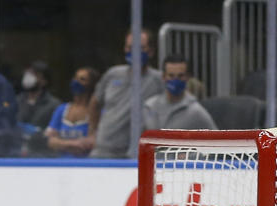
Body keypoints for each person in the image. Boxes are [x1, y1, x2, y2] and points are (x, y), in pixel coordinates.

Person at [88, 29, 164, 158]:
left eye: (141, 48)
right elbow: (95, 103)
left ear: (151, 51)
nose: (134, 52)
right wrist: (92, 133)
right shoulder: (113, 74)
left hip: (137, 153)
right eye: (130, 47)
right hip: (103, 150)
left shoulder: (159, 80)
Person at [143, 54, 218, 131]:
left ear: (188, 77)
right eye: (171, 76)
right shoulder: (149, 106)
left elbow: (216, 138)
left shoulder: (196, 112)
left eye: (180, 76)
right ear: (163, 77)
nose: (176, 80)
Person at [45, 67, 100, 158]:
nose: (76, 82)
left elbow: (94, 143)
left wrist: (61, 144)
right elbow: (50, 141)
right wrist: (73, 144)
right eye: (75, 78)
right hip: (61, 165)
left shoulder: (98, 112)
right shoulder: (61, 110)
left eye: (82, 79)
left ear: (91, 85)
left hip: (88, 166)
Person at [17, 60, 60, 157]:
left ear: (44, 81)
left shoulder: (53, 105)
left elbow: (54, 134)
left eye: (35, 74)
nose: (29, 77)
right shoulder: (16, 101)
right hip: (17, 154)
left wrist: (38, 134)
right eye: (28, 73)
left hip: (41, 155)